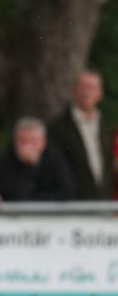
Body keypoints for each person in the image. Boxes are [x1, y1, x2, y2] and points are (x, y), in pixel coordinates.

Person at [48, 71, 114, 200]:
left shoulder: (107, 127)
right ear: (74, 91)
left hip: (104, 203)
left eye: (91, 88)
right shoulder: (58, 128)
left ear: (100, 94)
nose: (86, 92)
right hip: (74, 206)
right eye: (83, 87)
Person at [0, 117, 74, 201]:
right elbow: (12, 194)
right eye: (23, 141)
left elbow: (67, 190)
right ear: (15, 142)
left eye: (33, 141)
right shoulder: (6, 160)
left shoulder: (55, 158)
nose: (27, 146)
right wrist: (27, 166)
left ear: (43, 142)